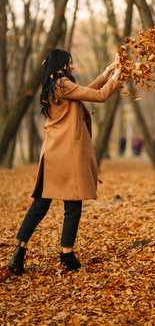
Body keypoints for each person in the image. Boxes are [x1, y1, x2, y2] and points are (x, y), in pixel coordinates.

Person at [8, 48, 121, 274]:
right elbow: (98, 96)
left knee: (40, 204)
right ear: (61, 64)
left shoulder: (55, 85)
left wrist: (108, 71)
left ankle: (18, 254)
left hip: (52, 152)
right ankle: (67, 256)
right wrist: (118, 76)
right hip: (67, 154)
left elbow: (85, 91)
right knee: (72, 204)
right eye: (70, 62)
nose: (73, 66)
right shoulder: (62, 84)